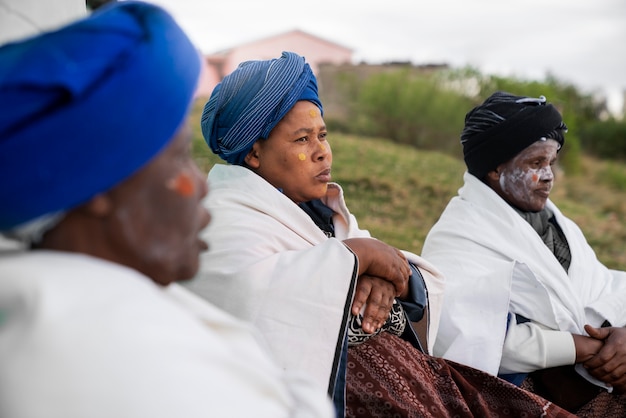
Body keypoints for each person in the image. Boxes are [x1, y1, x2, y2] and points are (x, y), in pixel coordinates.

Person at [186, 53, 576, 418]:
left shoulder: (323, 212)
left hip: (413, 380)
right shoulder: (223, 220)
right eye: (302, 140)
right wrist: (357, 258)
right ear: (254, 154)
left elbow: (397, 268)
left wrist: (385, 276)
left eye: (323, 135)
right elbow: (251, 300)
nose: (323, 152)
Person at [0, 3, 335, 417]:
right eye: (178, 159)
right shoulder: (127, 364)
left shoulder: (53, 297)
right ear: (101, 187)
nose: (199, 186)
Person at [422, 91, 626, 416]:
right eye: (535, 164)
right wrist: (588, 348)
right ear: (494, 169)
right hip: (528, 400)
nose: (549, 176)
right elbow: (471, 338)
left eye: (551, 163)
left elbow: (602, 286)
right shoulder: (458, 237)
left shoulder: (556, 223)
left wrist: (621, 337)